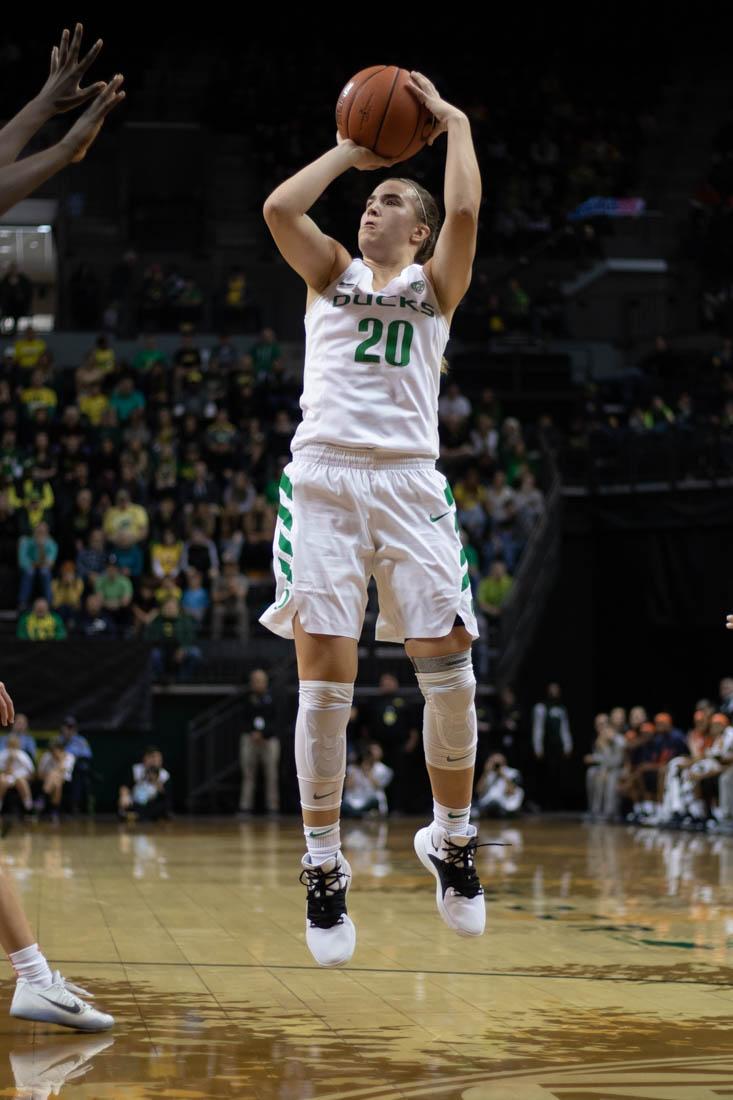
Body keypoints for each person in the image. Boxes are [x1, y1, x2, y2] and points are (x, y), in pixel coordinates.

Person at [260, 71, 484, 967]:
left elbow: (466, 215)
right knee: (325, 686)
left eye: (388, 199)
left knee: (453, 671)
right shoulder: (330, 273)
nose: (369, 207)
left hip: (408, 484)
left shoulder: (435, 284)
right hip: (322, 483)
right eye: (367, 199)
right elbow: (281, 208)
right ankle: (321, 865)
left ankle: (453, 839)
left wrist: (456, 122)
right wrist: (352, 150)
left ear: (417, 230)